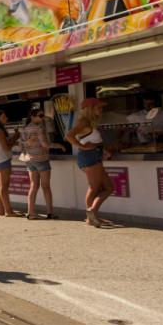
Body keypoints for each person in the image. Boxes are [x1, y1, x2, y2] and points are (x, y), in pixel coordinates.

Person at [66, 98, 114, 228]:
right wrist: (82, 147)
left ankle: (92, 215)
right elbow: (69, 136)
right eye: (99, 107)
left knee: (108, 187)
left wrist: (103, 151)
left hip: (93, 156)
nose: (101, 110)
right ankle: (91, 214)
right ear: (91, 109)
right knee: (94, 187)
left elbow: (94, 141)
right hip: (89, 157)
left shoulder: (90, 123)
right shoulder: (84, 122)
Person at [18, 103, 60, 219]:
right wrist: (58, 145)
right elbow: (45, 145)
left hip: (30, 160)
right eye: (40, 116)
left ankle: (31, 212)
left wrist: (28, 144)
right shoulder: (39, 128)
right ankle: (50, 212)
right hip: (41, 159)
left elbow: (21, 145)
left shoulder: (26, 129)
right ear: (33, 116)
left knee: (33, 186)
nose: (42, 118)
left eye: (42, 115)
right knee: (46, 186)